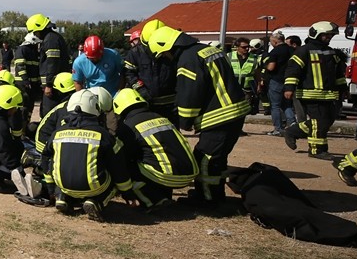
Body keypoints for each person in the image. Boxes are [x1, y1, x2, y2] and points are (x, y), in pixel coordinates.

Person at [148, 25, 248, 206]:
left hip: (220, 115)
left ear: (168, 47)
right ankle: (212, 194)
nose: (166, 59)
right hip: (233, 111)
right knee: (216, 159)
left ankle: (208, 200)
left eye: (163, 55)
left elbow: (190, 93)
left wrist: (185, 120)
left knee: (206, 160)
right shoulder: (205, 50)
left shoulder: (188, 59)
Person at [45, 89, 134, 221]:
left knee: (62, 163)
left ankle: (62, 197)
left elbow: (47, 158)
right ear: (95, 108)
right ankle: (97, 202)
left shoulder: (57, 133)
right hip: (95, 188)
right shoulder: (104, 135)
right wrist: (127, 193)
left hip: (63, 185)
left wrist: (52, 188)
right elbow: (118, 167)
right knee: (113, 178)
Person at [112, 88, 197, 210]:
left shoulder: (128, 126)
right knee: (153, 157)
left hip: (167, 176)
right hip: (190, 171)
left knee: (127, 166)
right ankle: (163, 196)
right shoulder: (160, 117)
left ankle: (151, 201)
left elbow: (126, 156)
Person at [283, 21, 347, 160]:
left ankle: (293, 131)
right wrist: (289, 88)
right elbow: (293, 70)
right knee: (320, 122)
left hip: (329, 95)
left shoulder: (331, 52)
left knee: (327, 120)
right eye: (326, 35)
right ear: (316, 34)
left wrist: (343, 88)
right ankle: (317, 150)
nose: (328, 38)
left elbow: (338, 73)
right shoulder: (303, 51)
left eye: (330, 36)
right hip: (310, 93)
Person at [33, 71, 77, 205]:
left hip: (48, 142)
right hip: (45, 146)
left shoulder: (63, 107)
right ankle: (43, 182)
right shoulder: (66, 108)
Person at [27, 14, 71, 120]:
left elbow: (52, 63)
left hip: (54, 87)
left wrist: (49, 84)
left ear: (40, 29)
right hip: (56, 85)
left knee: (48, 115)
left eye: (35, 32)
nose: (35, 35)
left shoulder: (50, 40)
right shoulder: (52, 38)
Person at [263, 31, 294, 135]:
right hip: (289, 81)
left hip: (276, 80)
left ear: (275, 41)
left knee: (275, 106)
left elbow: (271, 67)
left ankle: (278, 129)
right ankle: (293, 124)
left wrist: (265, 65)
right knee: (287, 104)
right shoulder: (291, 50)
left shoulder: (275, 51)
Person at [12, 33, 42, 119]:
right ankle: (22, 125)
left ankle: (27, 122)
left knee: (30, 106)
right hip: (23, 85)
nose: (38, 45)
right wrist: (25, 80)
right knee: (23, 107)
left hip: (32, 84)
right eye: (37, 43)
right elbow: (20, 66)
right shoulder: (22, 50)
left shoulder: (35, 52)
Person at [229, 38, 261, 116]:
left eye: (248, 47)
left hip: (247, 88)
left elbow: (257, 73)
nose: (247, 49)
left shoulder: (254, 58)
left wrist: (259, 85)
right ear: (237, 47)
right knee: (233, 109)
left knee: (245, 109)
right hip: (233, 88)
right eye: (244, 47)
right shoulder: (229, 56)